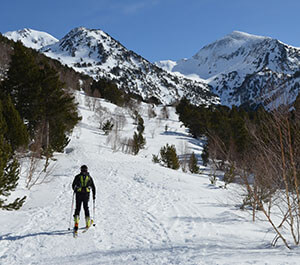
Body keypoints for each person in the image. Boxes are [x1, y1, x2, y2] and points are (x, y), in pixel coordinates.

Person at [72, 165, 96, 232]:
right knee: (86, 208)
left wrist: (75, 190)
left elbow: (73, 185)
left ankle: (76, 223)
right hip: (86, 194)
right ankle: (88, 223)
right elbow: (93, 187)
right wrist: (94, 196)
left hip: (78, 194)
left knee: (77, 208)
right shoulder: (89, 177)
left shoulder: (77, 177)